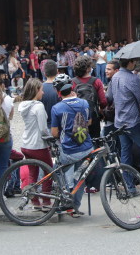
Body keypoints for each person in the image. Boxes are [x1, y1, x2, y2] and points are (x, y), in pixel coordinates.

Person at [112, 57, 140, 195]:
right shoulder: (133, 78)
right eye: (134, 62)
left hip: (119, 120)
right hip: (133, 119)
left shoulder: (115, 77)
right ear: (130, 62)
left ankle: (129, 186)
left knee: (126, 152)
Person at [51, 74, 92, 217]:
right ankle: (75, 206)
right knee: (80, 177)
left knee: (59, 172)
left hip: (68, 150)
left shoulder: (57, 108)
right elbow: (89, 122)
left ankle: (65, 200)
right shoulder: (84, 103)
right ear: (72, 88)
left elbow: (55, 133)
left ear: (58, 92)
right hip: (86, 148)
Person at [18, 78, 53, 211]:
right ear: (36, 90)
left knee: (33, 172)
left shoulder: (23, 105)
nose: (43, 93)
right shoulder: (38, 106)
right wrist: (50, 138)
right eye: (41, 90)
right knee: (48, 171)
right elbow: (43, 128)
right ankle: (46, 200)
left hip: (26, 143)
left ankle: (34, 200)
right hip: (38, 144)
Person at [72, 55, 107, 139]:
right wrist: (101, 110)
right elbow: (103, 101)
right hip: (94, 115)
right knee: (95, 140)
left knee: (80, 140)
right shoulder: (97, 81)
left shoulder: (72, 82)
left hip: (77, 117)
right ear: (88, 68)